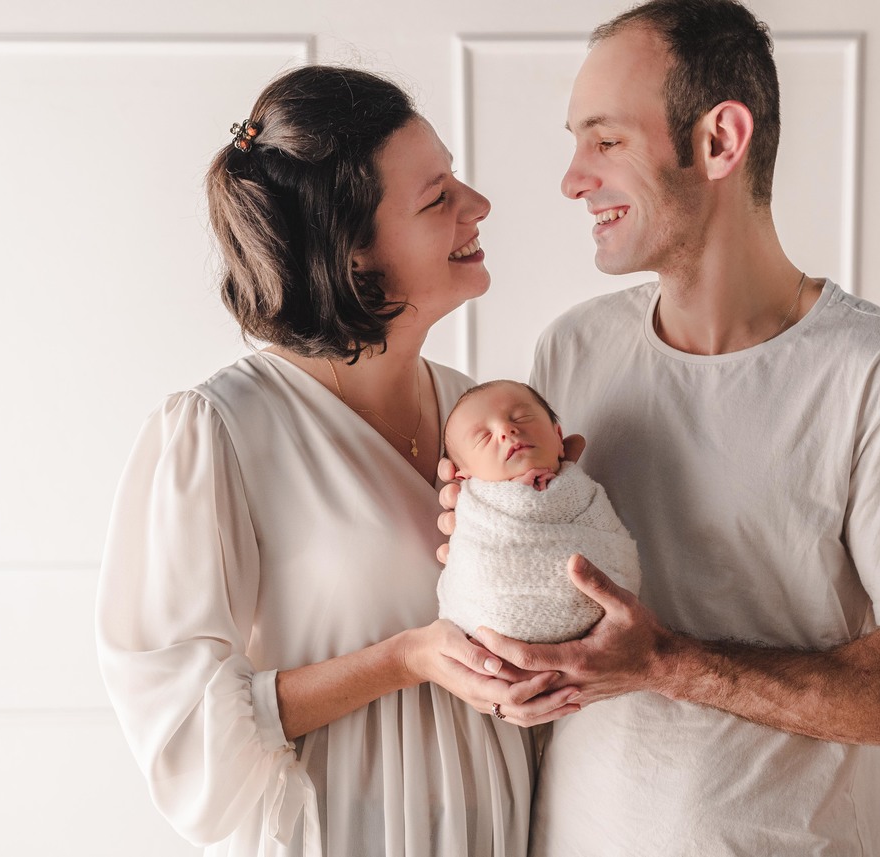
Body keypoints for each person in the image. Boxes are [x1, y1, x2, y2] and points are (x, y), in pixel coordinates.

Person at [438, 2, 880, 854]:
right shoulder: (571, 350)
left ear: (718, 141)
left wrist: (667, 662)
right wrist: (486, 540)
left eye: (606, 140)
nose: (573, 179)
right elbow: (542, 606)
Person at [95, 65, 580, 857]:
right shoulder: (220, 431)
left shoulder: (478, 413)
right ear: (353, 255)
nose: (478, 204)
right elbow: (182, 731)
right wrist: (405, 657)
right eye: (438, 198)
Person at [437, 380, 640, 643]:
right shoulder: (476, 507)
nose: (506, 430)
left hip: (607, 625)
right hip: (497, 623)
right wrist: (521, 497)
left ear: (558, 438)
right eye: (483, 436)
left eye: (521, 417)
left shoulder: (581, 490)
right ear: (464, 476)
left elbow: (612, 545)